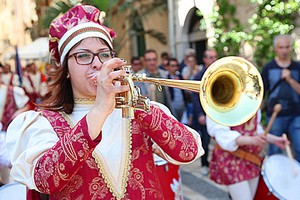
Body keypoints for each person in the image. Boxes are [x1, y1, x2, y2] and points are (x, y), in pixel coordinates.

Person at [5, 5, 203, 200]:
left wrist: (137, 103)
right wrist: (99, 109)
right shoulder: (43, 123)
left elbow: (188, 152)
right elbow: (45, 181)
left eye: (104, 54)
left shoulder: (140, 111)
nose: (97, 63)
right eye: (83, 55)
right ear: (65, 70)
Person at [207, 110, 289, 200]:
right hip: (231, 160)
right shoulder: (218, 104)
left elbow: (255, 129)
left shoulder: (252, 100)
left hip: (251, 160)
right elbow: (221, 135)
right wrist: (252, 140)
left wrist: (275, 140)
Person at [262, 34, 300, 162]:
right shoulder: (268, 68)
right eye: (281, 47)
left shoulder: (297, 67)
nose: (284, 50)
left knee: (299, 149)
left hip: (296, 115)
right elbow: (262, 91)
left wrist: (290, 79)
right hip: (275, 115)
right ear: (275, 49)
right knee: (274, 151)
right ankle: (276, 180)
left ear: (291, 48)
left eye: (287, 47)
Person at [0, 71, 30, 185]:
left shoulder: (11, 91)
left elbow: (28, 105)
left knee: (8, 176)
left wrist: (17, 113)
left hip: (8, 134)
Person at [192, 49, 218, 176]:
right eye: (210, 57)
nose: (213, 60)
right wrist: (200, 114)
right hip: (205, 113)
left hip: (217, 111)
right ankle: (204, 164)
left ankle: (217, 164)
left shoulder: (219, 71)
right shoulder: (199, 75)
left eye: (215, 57)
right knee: (205, 141)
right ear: (205, 59)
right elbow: (195, 96)